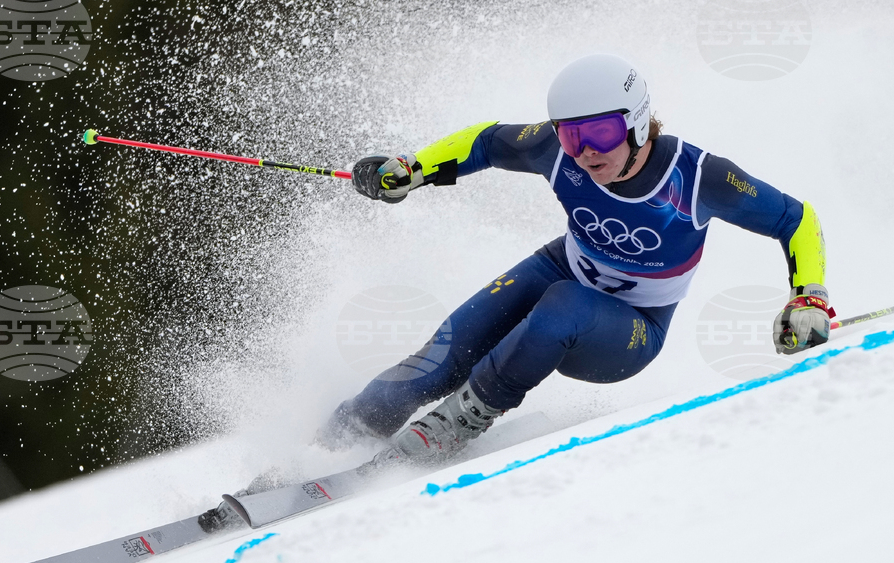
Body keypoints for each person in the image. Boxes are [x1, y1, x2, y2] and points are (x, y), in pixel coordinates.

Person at [320, 53, 833, 467]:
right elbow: (485, 141)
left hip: (631, 329)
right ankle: (325, 447)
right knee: (438, 359)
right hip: (560, 267)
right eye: (572, 135)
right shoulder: (557, 152)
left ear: (636, 125)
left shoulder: (698, 178)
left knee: (565, 304)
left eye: (602, 134)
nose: (586, 152)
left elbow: (797, 219)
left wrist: (808, 296)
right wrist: (412, 168)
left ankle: (459, 421)